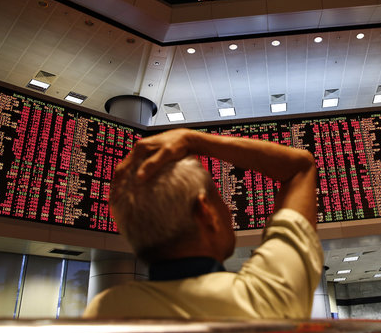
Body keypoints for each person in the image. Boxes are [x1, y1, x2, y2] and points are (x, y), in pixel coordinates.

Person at [83, 128, 323, 319]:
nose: (228, 211)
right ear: (205, 211)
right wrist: (193, 140)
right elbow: (299, 167)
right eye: (220, 199)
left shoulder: (105, 311)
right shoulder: (266, 296)